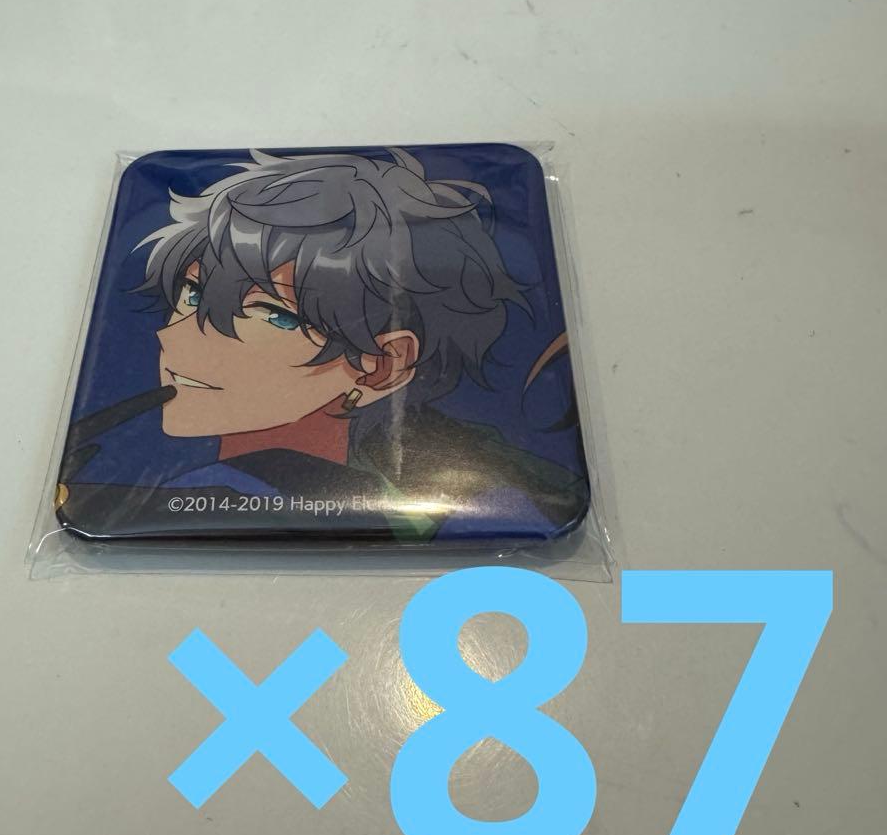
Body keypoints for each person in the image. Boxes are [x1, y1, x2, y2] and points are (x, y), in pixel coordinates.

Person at [58, 148, 587, 543]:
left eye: (272, 315)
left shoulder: (481, 492)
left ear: (382, 366)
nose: (172, 336)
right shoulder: (153, 491)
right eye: (193, 294)